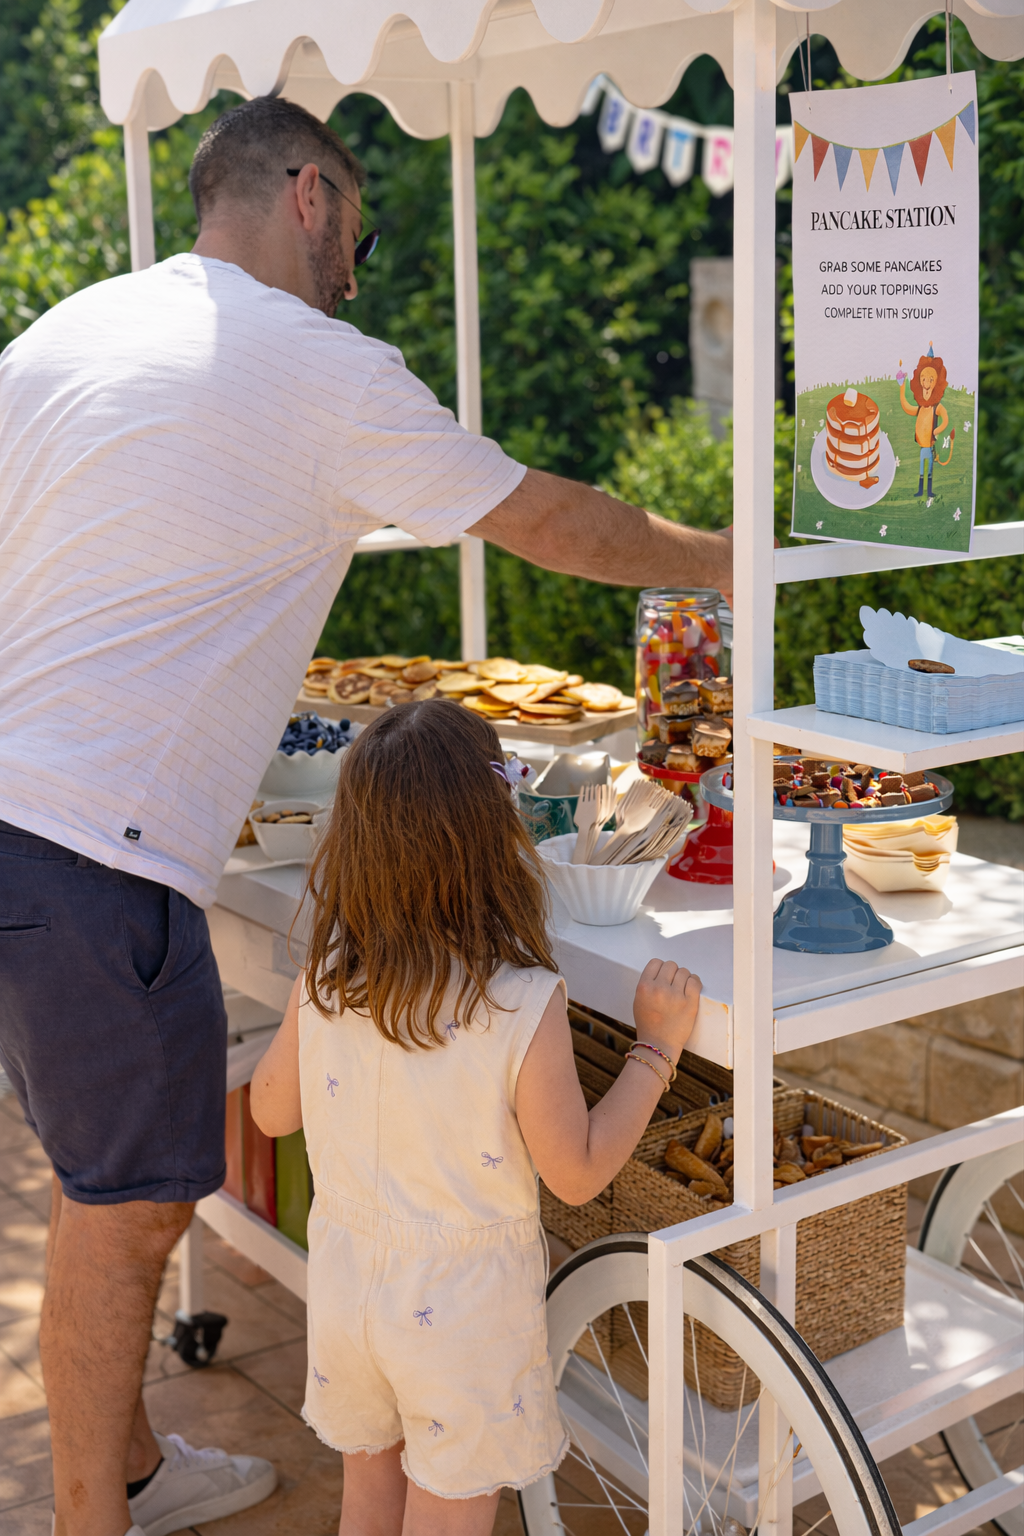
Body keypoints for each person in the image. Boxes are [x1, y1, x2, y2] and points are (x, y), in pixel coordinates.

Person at [0, 93, 729, 1536]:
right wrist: (731, 557)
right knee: (127, 1208)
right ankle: (96, 1513)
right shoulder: (318, 364)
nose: (359, 269)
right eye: (365, 234)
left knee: (114, 1182)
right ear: (313, 193)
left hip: (32, 827)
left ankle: (132, 1464)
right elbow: (549, 521)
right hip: (94, 845)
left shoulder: (68, 330)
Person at [249, 701, 702, 1536]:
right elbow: (576, 1172)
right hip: (464, 1321)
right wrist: (656, 1050)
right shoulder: (520, 1002)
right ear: (493, 835)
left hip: (349, 1296)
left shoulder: (327, 978)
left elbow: (271, 1112)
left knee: (369, 1505)